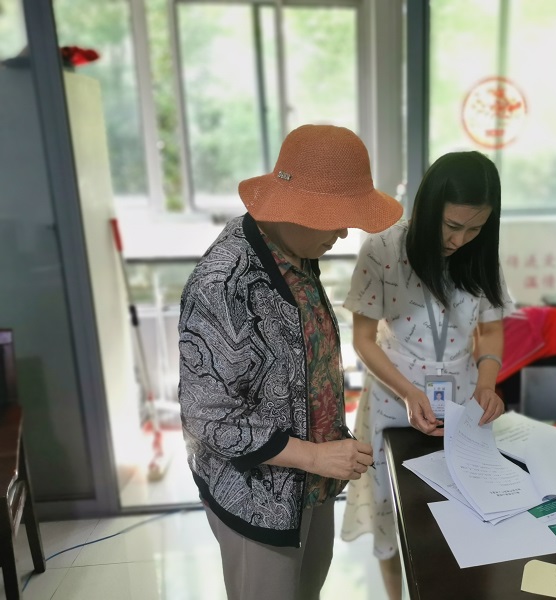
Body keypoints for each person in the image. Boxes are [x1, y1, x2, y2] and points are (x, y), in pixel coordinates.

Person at [178, 124, 402, 600]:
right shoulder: (223, 283)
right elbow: (208, 416)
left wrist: (327, 447)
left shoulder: (295, 253)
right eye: (337, 219)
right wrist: (315, 455)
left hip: (311, 482)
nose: (344, 232)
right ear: (298, 208)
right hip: (259, 494)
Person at [340, 151, 515, 599]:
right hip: (391, 398)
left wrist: (487, 384)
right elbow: (363, 340)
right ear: (427, 208)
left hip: (460, 400)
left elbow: (491, 330)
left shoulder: (479, 257)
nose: (459, 240)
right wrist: (407, 393)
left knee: (457, 507)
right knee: (389, 510)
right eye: (451, 225)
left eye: (474, 229)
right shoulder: (382, 250)